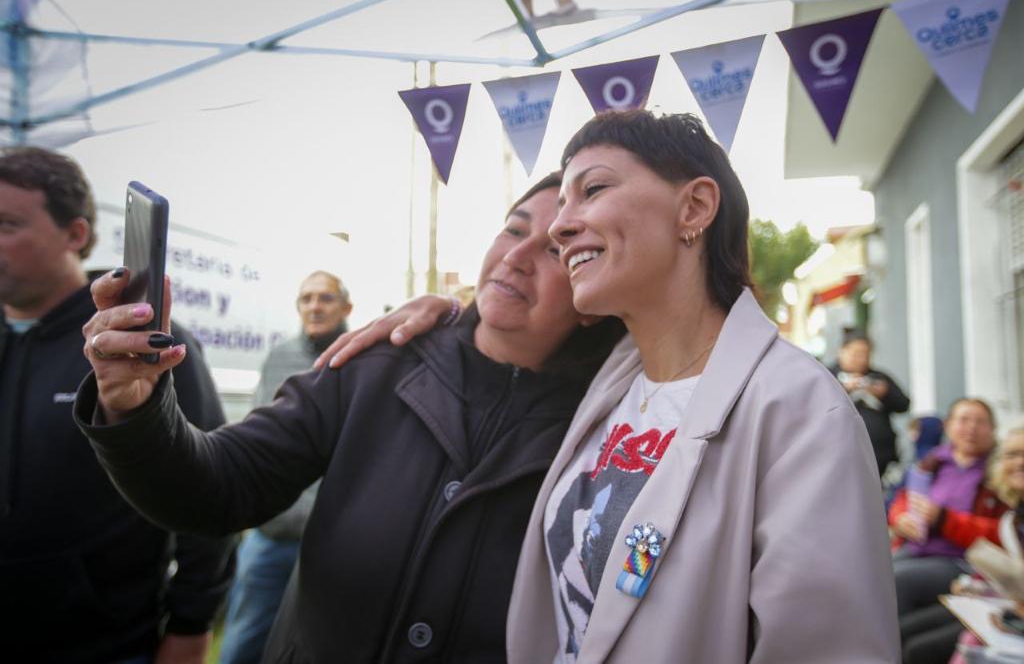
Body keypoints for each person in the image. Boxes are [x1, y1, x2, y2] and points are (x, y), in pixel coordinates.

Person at [319, 110, 899, 662]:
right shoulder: (604, 386)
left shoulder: (799, 411)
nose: (560, 227)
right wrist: (448, 315)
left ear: (694, 207)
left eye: (592, 190)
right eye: (561, 205)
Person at [73, 172, 627, 662]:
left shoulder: (611, 422)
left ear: (592, 288)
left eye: (555, 248)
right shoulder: (377, 363)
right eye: (512, 229)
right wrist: (136, 407)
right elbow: (218, 485)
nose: (516, 256)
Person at [0, 146, 235, 663]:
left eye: (7, 224)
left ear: (75, 234)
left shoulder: (136, 344)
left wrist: (191, 626)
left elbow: (207, 492)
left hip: (104, 642)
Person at [219, 270, 352, 664]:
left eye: (325, 298)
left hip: (331, 540)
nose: (314, 307)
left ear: (347, 307)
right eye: (306, 298)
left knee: (322, 646)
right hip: (272, 536)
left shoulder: (364, 358)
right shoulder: (279, 358)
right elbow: (259, 438)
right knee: (243, 644)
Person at [900, 426, 1024, 664]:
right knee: (902, 630)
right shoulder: (1013, 516)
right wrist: (978, 587)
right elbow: (905, 498)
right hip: (997, 597)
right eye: (1012, 455)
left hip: (965, 567)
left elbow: (984, 536)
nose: (1020, 462)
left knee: (919, 647)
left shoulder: (988, 494)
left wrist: (943, 518)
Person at [889, 398, 1004, 618]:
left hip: (963, 561)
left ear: (992, 429)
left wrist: (944, 519)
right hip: (917, 548)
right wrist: (900, 517)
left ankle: (892, 639)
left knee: (896, 580)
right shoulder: (934, 461)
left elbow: (1003, 532)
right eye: (964, 420)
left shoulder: (999, 472)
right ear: (948, 425)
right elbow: (904, 497)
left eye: (980, 422)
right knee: (868, 573)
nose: (972, 428)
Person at [831, 330, 911, 476]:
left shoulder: (878, 377)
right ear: (842, 351)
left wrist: (886, 394)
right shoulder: (828, 376)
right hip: (839, 453)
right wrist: (844, 389)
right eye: (856, 354)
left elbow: (904, 405)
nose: (861, 359)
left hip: (879, 456)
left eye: (866, 354)